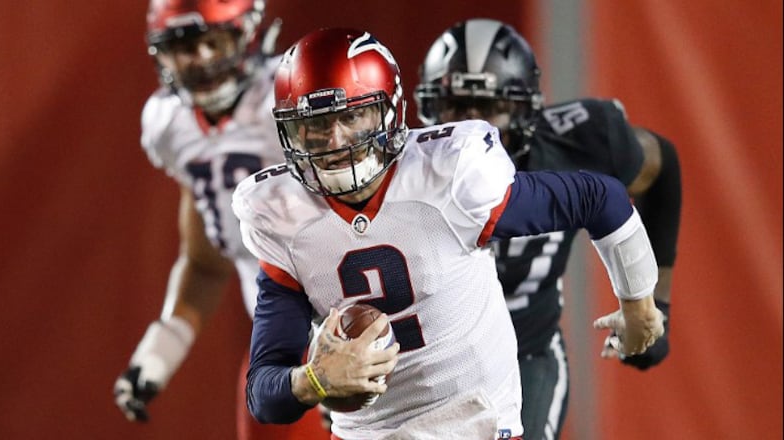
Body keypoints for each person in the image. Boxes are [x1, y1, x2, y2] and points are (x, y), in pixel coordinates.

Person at [231, 27, 665, 440]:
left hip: (475, 420)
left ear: (388, 110)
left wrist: (640, 306)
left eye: (354, 116)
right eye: (316, 124)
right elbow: (264, 393)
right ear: (290, 132)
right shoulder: (281, 216)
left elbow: (599, 197)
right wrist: (313, 381)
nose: (336, 140)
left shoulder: (448, 174)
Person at [414, 18, 681, 440]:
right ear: (429, 109)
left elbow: (660, 163)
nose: (470, 128)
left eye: (489, 108)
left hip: (527, 352)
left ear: (525, 110)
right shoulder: (401, 178)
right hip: (426, 364)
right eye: (454, 106)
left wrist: (655, 302)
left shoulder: (580, 141)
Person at [112, 1, 327, 438]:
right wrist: (160, 351)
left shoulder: (292, 95)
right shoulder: (169, 124)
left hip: (361, 318)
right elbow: (207, 260)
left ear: (247, 33)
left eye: (214, 40)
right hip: (280, 342)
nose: (203, 58)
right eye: (185, 46)